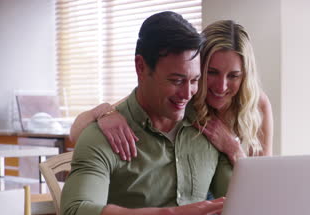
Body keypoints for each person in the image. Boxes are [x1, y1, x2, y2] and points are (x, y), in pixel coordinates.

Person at [60, 11, 232, 215]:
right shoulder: (103, 134)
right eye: (176, 80)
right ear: (141, 67)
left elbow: (246, 212)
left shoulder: (209, 129)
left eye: (194, 81)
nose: (186, 94)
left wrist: (237, 151)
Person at [69, 20, 273, 165]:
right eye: (211, 72)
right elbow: (76, 132)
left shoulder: (256, 104)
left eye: (233, 76)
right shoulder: (181, 100)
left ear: (245, 75)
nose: (221, 86)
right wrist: (105, 113)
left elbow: (265, 183)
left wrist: (233, 148)